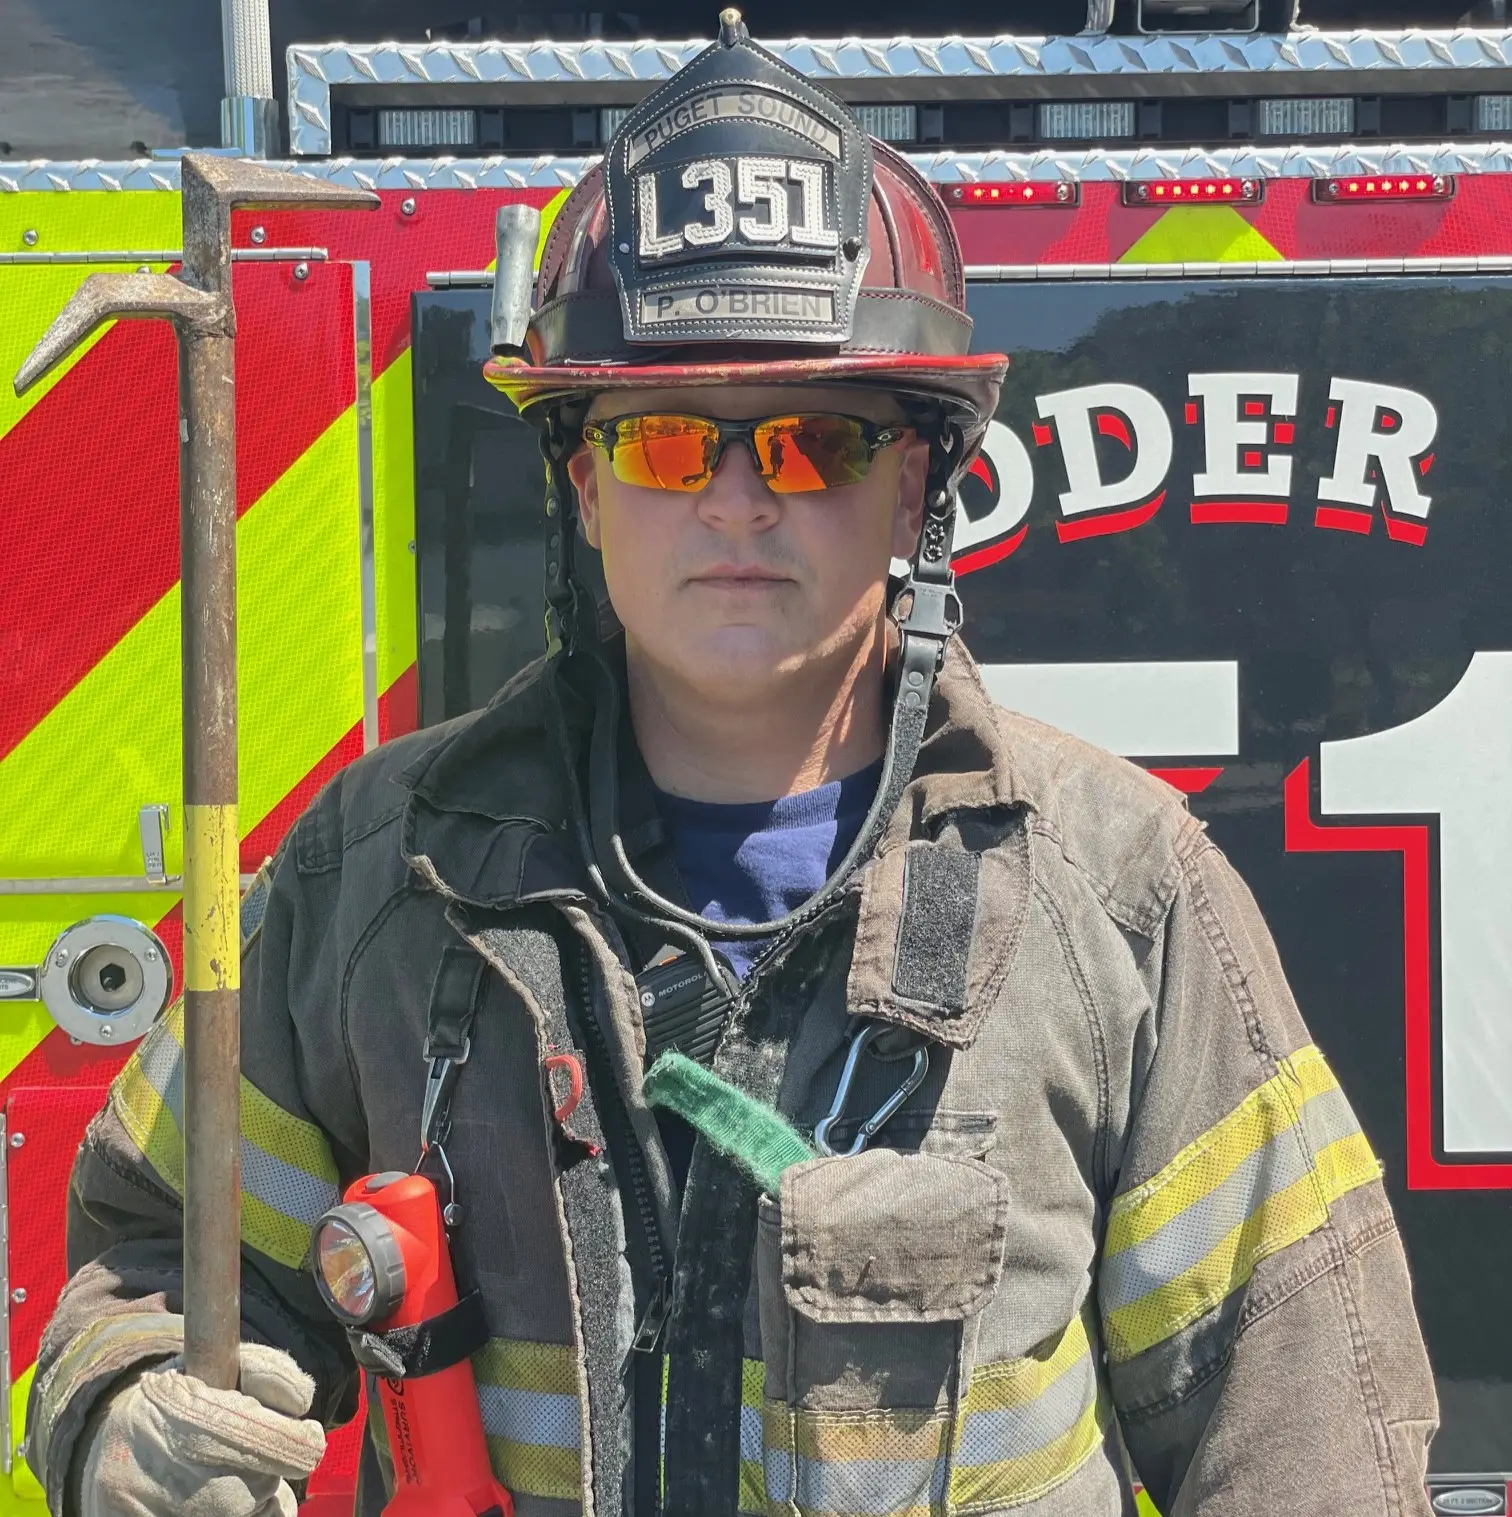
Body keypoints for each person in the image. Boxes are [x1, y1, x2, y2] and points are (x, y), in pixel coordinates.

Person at [29, 12, 1437, 1517]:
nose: (736, 500)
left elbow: (1301, 1425)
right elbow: (154, 1248)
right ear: (580, 486)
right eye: (662, 446)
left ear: (916, 490)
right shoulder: (374, 881)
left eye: (812, 444)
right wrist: (125, 1408)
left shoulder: (1122, 900)